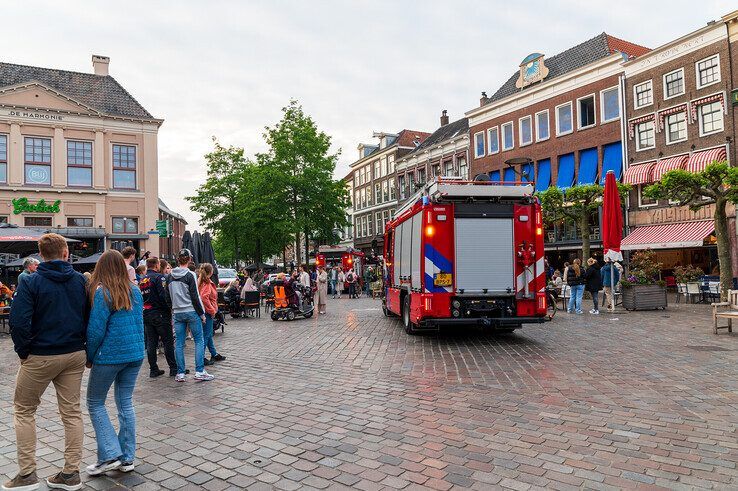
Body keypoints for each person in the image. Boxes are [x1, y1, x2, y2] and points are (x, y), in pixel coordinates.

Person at [6, 233, 88, 491]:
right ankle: (71, 472)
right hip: (74, 353)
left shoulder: (31, 282)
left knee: (24, 410)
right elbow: (88, 315)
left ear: (41, 255)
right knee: (72, 413)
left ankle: (27, 474)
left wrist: (23, 351)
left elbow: (18, 321)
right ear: (66, 253)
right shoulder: (79, 281)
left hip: (41, 354)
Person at [84, 250, 145, 477]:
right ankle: (127, 457)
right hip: (135, 354)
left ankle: (110, 454)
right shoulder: (135, 291)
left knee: (95, 402)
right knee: (125, 403)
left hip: (110, 355)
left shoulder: (103, 293)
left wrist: (90, 356)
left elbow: (95, 330)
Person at [166, 249, 213, 382]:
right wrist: (202, 313)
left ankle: (180, 373)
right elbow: (195, 296)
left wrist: (172, 309)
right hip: (191, 311)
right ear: (190, 259)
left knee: (179, 343)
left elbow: (167, 296)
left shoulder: (169, 276)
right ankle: (199, 371)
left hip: (177, 312)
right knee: (199, 340)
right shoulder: (190, 275)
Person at [139, 257, 176, 378]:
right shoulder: (159, 278)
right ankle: (173, 368)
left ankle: (153, 369)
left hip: (147, 313)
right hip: (160, 314)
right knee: (168, 342)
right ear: (156, 265)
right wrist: (169, 309)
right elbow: (163, 295)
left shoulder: (143, 279)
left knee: (151, 342)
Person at [198, 263, 225, 367]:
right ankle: (202, 358)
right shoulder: (207, 283)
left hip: (204, 311)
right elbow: (204, 297)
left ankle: (214, 354)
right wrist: (212, 310)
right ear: (211, 271)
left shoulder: (201, 281)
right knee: (206, 335)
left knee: (208, 334)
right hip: (207, 312)